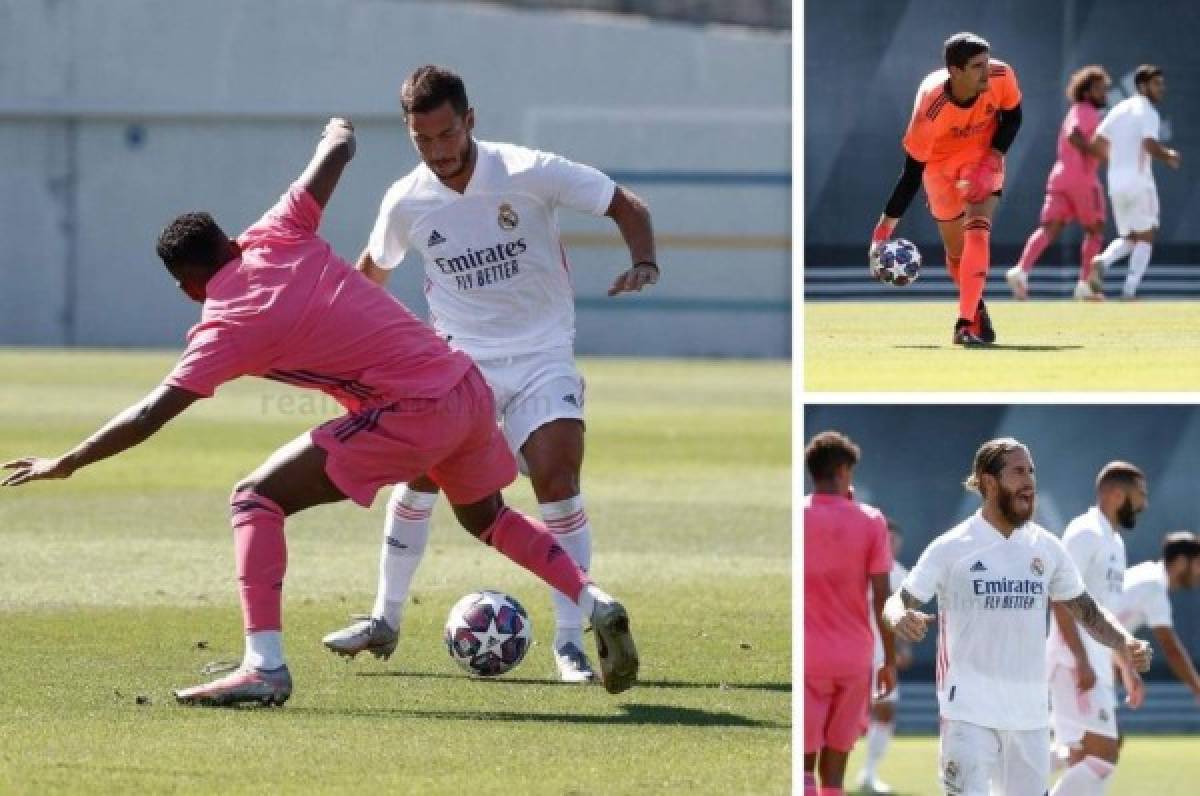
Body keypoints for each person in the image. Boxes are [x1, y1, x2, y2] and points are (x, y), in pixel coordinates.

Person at [0, 117, 639, 705]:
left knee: (255, 498)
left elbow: (150, 415)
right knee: (490, 518)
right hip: (464, 384)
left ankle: (265, 666)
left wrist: (71, 460)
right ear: (228, 239)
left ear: (187, 287)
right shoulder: (277, 231)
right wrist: (337, 133)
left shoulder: (226, 322)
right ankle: (592, 597)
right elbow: (335, 153)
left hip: (412, 409)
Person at [320, 65, 657, 683]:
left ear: (469, 121)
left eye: (446, 135)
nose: (438, 151)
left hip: (542, 353)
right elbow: (370, 273)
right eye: (423, 141)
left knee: (558, 477)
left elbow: (623, 204)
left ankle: (570, 644)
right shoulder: (406, 201)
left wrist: (644, 262)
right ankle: (385, 618)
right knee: (420, 474)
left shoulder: (528, 171)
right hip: (457, 361)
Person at [884, 438, 1152, 795]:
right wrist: (901, 617)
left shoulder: (1046, 547)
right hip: (968, 713)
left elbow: (1085, 609)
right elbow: (896, 602)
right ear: (988, 482)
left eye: (1032, 472)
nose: (1029, 481)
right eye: (1018, 472)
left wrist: (1124, 642)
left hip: (1031, 718)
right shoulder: (952, 547)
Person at [871, 32, 1022, 346]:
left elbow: (1013, 117)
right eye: (977, 66)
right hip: (938, 168)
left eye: (987, 62)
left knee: (978, 231)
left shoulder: (1000, 74)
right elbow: (912, 175)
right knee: (957, 253)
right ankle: (976, 306)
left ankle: (965, 322)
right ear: (955, 70)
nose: (987, 70)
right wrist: (883, 230)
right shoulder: (929, 111)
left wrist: (993, 158)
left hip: (982, 157)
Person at [1046, 462, 1148, 795]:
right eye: (1140, 495)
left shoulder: (1115, 543)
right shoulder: (1085, 531)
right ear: (1117, 494)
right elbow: (1059, 596)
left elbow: (1108, 615)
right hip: (1074, 662)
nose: (1144, 504)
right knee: (1103, 756)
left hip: (1099, 663)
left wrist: (1125, 665)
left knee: (1084, 758)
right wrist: (1081, 659)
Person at [804, 431, 897, 796]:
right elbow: (882, 596)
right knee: (835, 771)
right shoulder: (871, 520)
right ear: (844, 471)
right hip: (854, 657)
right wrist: (888, 659)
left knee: (803, 765)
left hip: (809, 654)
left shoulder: (798, 515)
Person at [1006, 66, 1111, 302]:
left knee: (1050, 228)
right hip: (1082, 179)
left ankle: (1021, 270)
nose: (1104, 93)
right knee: (1095, 230)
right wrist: (1097, 152)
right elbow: (1075, 134)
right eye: (1099, 89)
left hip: (1060, 176)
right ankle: (1084, 285)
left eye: (1105, 88)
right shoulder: (1087, 111)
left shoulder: (1077, 110)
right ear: (1086, 93)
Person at [1088, 65, 1182, 299]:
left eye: (1161, 83)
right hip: (1139, 182)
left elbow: (1097, 142)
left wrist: (1120, 159)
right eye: (1156, 84)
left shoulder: (1120, 108)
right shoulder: (1148, 111)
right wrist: (1169, 156)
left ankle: (1103, 260)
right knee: (1146, 236)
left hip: (1116, 183)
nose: (1161, 88)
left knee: (1131, 238)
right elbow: (1149, 144)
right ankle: (1129, 291)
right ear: (1142, 86)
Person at [856, 519, 912, 795]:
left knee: (885, 709)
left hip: (881, 654)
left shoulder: (901, 575)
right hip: (850, 649)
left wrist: (902, 648)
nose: (890, 545)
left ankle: (869, 774)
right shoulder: (856, 567)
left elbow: (899, 618)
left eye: (894, 541)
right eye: (886, 540)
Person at [1119, 531, 1200, 701]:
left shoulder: (1149, 575)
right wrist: (1197, 687)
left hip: (1084, 656)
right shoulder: (1154, 587)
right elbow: (1171, 649)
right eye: (1198, 564)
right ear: (1180, 563)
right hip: (1080, 657)